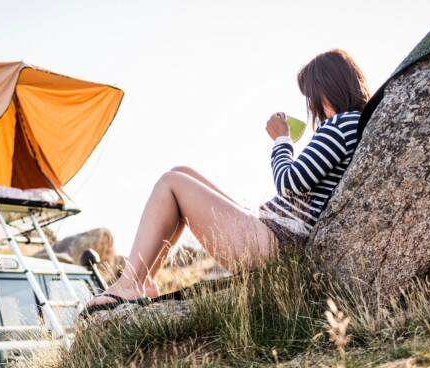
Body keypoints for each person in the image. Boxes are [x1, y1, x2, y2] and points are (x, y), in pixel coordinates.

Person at [83, 49, 371, 314]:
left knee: (170, 183)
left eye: (310, 94)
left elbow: (289, 181)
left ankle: (130, 283)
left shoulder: (340, 124)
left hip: (276, 241)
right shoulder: (351, 125)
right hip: (274, 235)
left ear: (326, 88)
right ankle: (144, 282)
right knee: (181, 171)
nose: (310, 103)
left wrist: (281, 139)